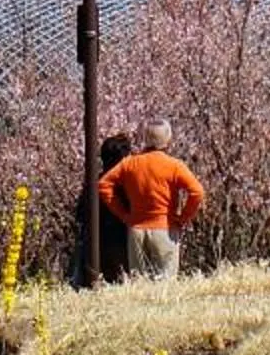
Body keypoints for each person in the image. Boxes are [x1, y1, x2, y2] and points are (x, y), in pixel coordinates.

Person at [98, 121, 207, 280]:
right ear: (168, 140)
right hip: (165, 230)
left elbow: (103, 185)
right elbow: (197, 192)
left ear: (145, 138)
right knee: (165, 284)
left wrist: (124, 214)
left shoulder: (130, 163)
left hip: (136, 230)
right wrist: (182, 218)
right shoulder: (174, 166)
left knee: (140, 283)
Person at [72, 134, 132, 287]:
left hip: (94, 245)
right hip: (121, 242)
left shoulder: (93, 183)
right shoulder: (126, 184)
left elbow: (80, 214)